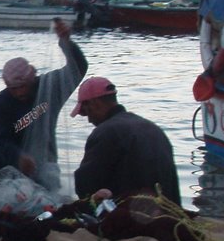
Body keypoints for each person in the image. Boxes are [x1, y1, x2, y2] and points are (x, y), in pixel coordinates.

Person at [0, 18, 88, 191]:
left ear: (32, 79)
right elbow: (1, 140)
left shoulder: (50, 87)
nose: (19, 92)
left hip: (46, 163)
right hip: (14, 167)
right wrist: (19, 156)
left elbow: (78, 68)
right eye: (13, 88)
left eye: (23, 86)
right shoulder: (2, 101)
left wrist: (66, 43)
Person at [70, 77, 181, 205]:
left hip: (135, 217)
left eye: (86, 112)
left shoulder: (105, 132)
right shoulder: (153, 128)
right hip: (170, 213)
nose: (89, 120)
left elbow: (85, 186)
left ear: (95, 103)